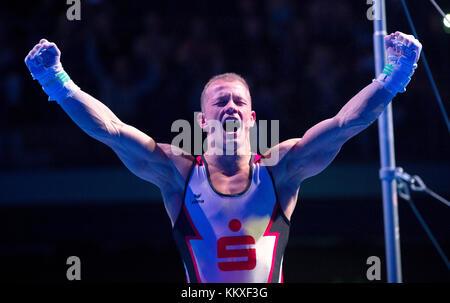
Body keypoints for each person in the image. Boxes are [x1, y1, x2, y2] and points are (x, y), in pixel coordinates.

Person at [24, 31, 422, 283]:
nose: (230, 106)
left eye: (239, 101)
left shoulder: (279, 170)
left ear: (251, 118)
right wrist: (56, 81)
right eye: (220, 102)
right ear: (202, 120)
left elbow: (343, 125)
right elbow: (110, 131)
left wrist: (396, 75)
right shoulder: (178, 173)